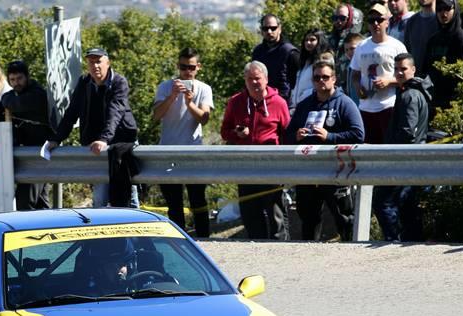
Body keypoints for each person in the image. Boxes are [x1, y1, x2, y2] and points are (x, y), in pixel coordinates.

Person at [46, 48, 139, 208]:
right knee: (100, 197)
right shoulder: (84, 82)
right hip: (98, 146)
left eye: (98, 61)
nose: (95, 66)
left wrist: (104, 139)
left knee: (129, 194)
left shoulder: (119, 82)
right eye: (91, 62)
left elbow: (115, 112)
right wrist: (56, 139)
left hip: (122, 141)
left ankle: (135, 222)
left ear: (107, 63)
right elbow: (72, 112)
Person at [286, 61, 365, 241]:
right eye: (317, 78)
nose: (321, 80)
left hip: (336, 171)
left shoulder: (345, 103)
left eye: (325, 77)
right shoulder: (305, 105)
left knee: (344, 218)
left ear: (334, 79)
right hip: (308, 172)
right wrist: (296, 135)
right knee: (308, 220)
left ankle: (350, 252)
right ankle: (309, 254)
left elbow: (358, 134)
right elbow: (287, 136)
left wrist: (329, 137)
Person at [221, 61, 291, 240]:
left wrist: (286, 165)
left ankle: (281, 249)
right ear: (245, 80)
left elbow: (287, 134)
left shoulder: (279, 103)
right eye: (249, 79)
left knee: (276, 214)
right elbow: (224, 131)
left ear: (266, 79)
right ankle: (255, 248)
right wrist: (236, 134)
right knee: (251, 215)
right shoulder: (236, 102)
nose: (254, 82)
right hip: (245, 166)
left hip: (272, 167)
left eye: (257, 78)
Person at [152, 47, 213, 237]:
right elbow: (156, 116)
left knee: (198, 201)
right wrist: (172, 96)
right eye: (183, 67)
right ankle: (177, 240)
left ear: (198, 67)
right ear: (177, 66)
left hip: (193, 152)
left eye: (191, 67)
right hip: (168, 152)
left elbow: (204, 118)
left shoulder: (204, 88)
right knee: (174, 203)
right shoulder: (165, 87)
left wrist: (189, 103)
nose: (187, 72)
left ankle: (203, 239)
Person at [375, 53, 432, 241]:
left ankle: (393, 241)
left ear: (413, 70)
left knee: (383, 202)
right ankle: (411, 244)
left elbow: (408, 132)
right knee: (408, 206)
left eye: (404, 69)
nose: (399, 72)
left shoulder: (410, 95)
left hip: (403, 160)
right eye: (396, 69)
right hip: (411, 159)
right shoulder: (412, 92)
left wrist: (393, 155)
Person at [350, 3, 407, 144]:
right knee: (367, 149)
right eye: (371, 20)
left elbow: (408, 77)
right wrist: (358, 88)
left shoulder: (397, 46)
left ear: (387, 22)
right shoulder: (361, 46)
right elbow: (355, 74)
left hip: (389, 106)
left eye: (379, 20)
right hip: (365, 107)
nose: (375, 23)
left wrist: (389, 81)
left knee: (388, 147)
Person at [1, 60, 54, 211]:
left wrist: (9, 101)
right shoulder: (15, 94)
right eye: (12, 80)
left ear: (27, 77)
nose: (16, 83)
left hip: (38, 154)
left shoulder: (38, 93)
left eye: (19, 78)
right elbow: (6, 99)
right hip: (29, 155)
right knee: (41, 202)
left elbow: (17, 103)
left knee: (26, 201)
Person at [424, 0, 463, 113]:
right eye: (439, 9)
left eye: (447, 8)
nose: (443, 13)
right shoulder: (433, 40)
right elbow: (425, 70)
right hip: (434, 102)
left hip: (456, 106)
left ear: (455, 10)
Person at [251, 14, 300, 103]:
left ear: (279, 29)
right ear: (261, 30)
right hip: (261, 101)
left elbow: (298, 81)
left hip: (285, 102)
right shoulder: (257, 52)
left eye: (273, 28)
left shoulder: (290, 52)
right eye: (265, 28)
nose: (269, 31)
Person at [329, 3, 364, 95]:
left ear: (352, 19)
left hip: (354, 90)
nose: (338, 21)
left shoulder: (361, 42)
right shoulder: (330, 41)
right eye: (335, 18)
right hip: (335, 90)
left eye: (342, 18)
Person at [291, 28, 332, 109]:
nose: (308, 42)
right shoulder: (305, 61)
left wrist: (306, 94)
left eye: (312, 40)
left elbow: (325, 83)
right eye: (306, 40)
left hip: (315, 105)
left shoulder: (325, 59)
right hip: (300, 106)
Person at [404, 1, 437, 75]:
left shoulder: (442, 20)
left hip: (436, 76)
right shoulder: (411, 21)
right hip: (416, 77)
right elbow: (407, 51)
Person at [342, 33, 365, 105]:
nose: (349, 52)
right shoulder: (349, 66)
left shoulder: (365, 65)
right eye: (346, 50)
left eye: (352, 48)